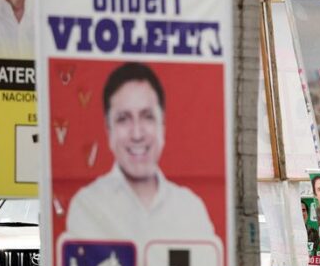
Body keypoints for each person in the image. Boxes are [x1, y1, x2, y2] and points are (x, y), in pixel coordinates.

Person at [65, 63, 214, 241]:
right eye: (123, 119)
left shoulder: (190, 209)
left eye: (147, 116)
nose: (137, 134)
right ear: (108, 128)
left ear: (162, 124)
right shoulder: (87, 206)